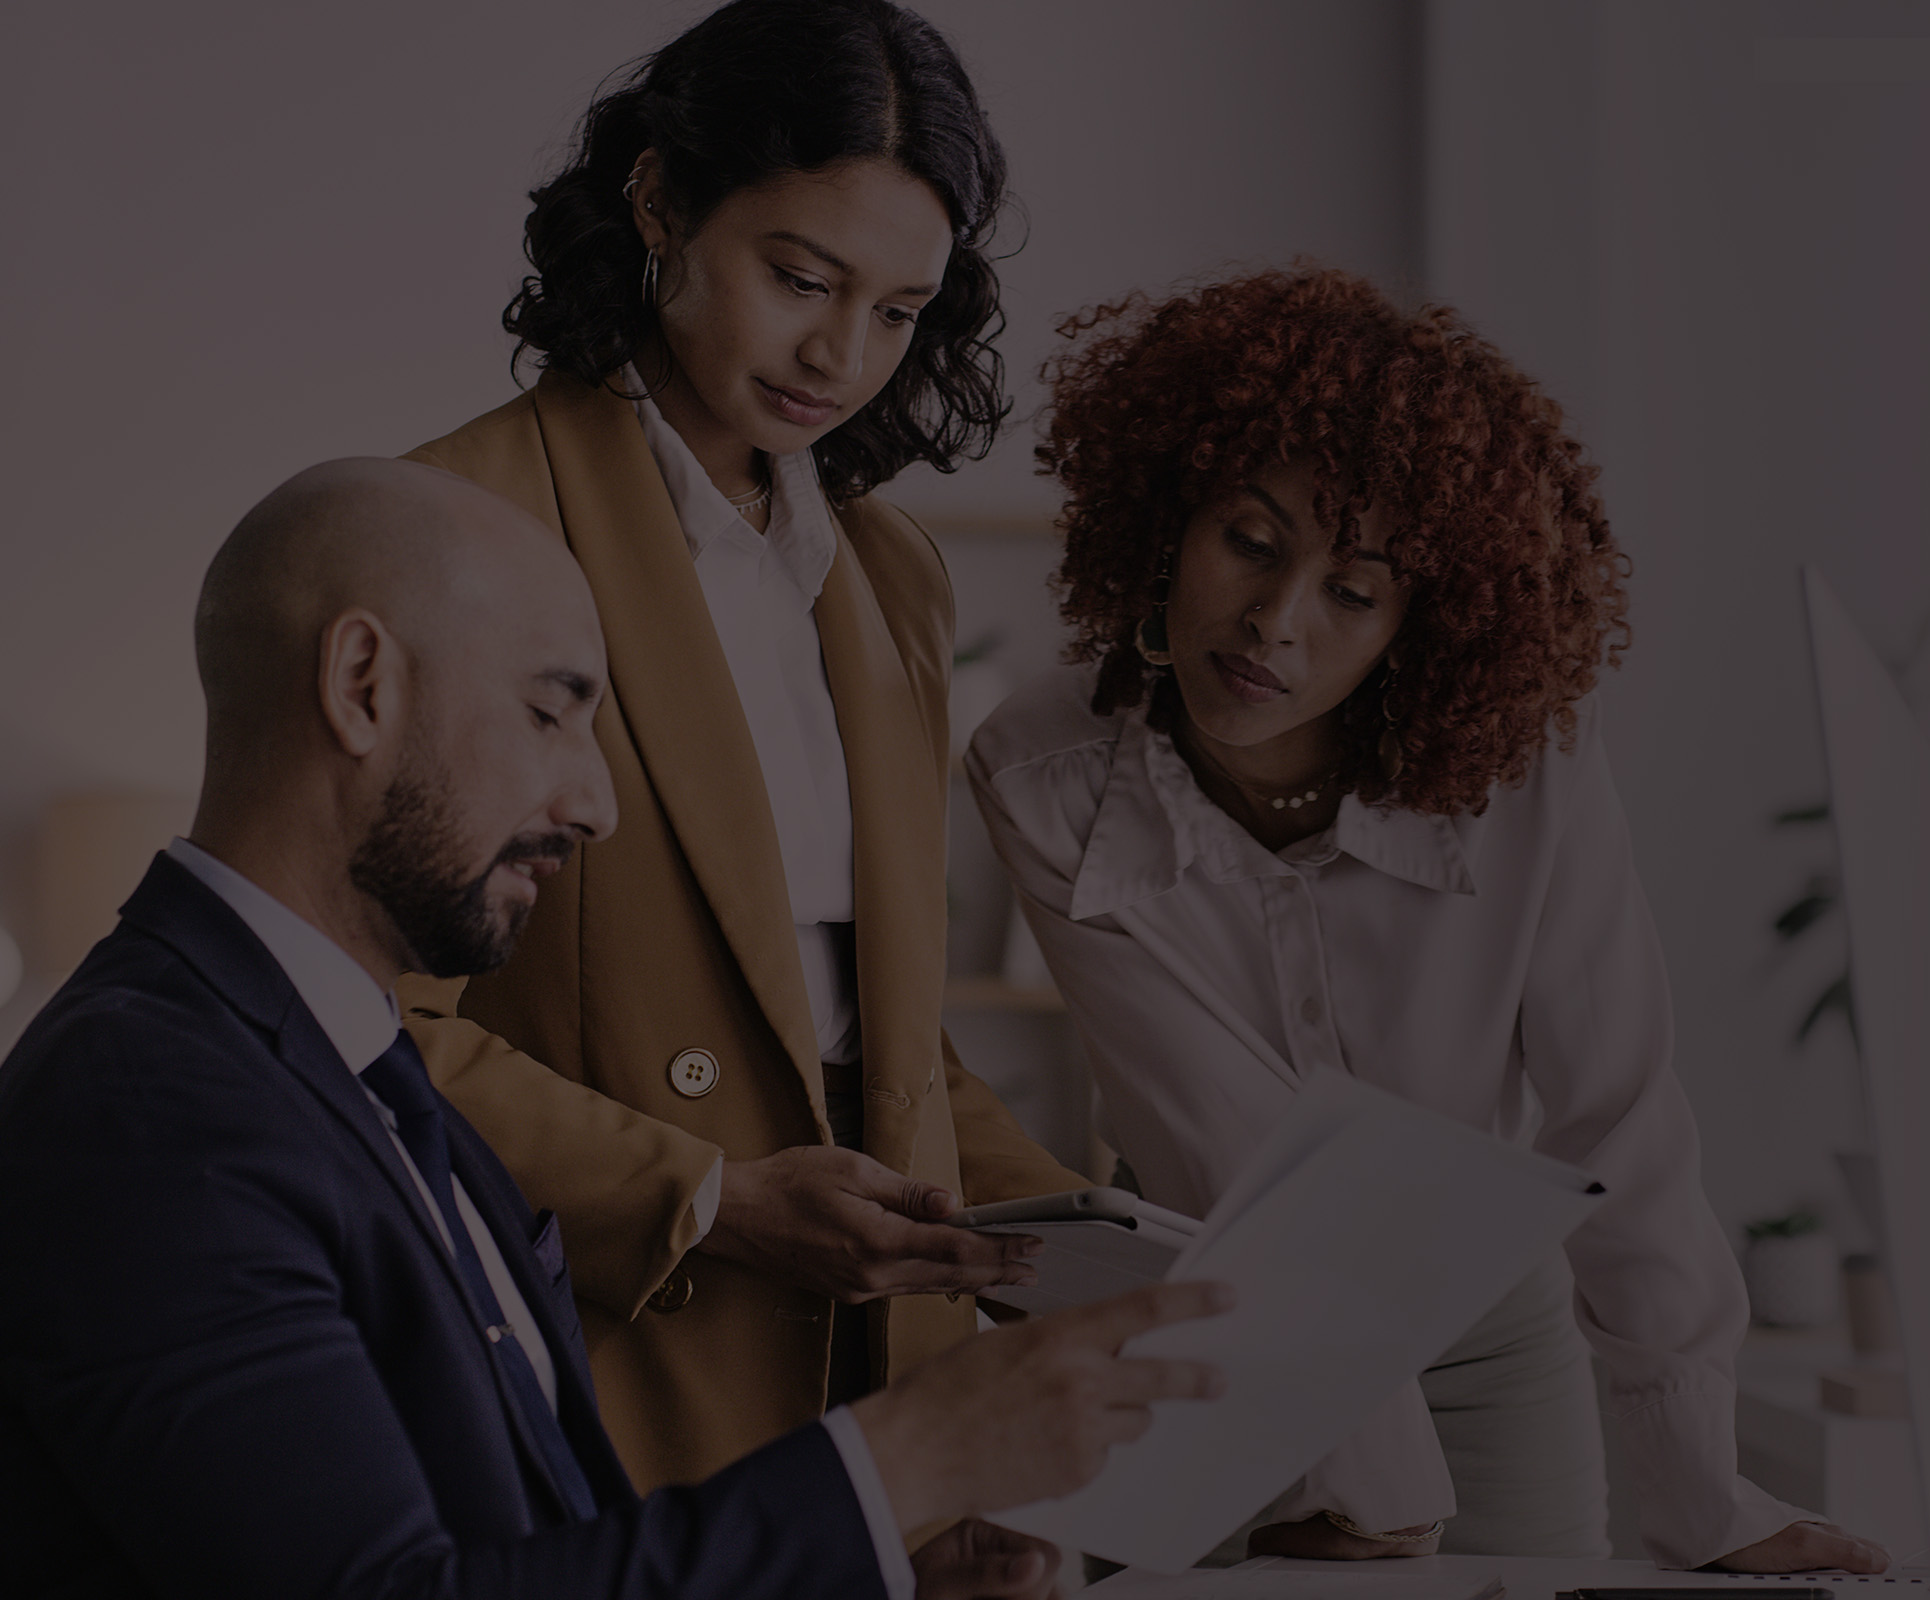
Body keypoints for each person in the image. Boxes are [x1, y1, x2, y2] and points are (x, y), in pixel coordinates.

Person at [0, 458, 1231, 1600]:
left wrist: (878, 1569)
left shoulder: (358, 1070)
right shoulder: (145, 1103)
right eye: (551, 713)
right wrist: (897, 1462)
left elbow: (525, 1555)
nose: (595, 804)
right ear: (361, 685)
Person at [966, 267, 1891, 1574]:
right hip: (1208, 1309)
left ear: (1419, 624)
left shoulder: (1525, 770)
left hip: (1487, 1327)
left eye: (1351, 590)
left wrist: (1705, 1497)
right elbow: (1211, 1134)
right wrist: (1366, 1486)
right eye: (1248, 539)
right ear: (1169, 513)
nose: (1273, 623)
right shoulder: (1039, 770)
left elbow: (1615, 1116)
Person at [394, 0, 1093, 1498]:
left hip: (880, 1367)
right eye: (799, 278)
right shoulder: (458, 527)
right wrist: (705, 1199)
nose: (841, 353)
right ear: (658, 200)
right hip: (605, 1347)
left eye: (899, 311)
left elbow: (869, 1037)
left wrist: (1095, 1240)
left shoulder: (890, 577)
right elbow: (366, 1028)